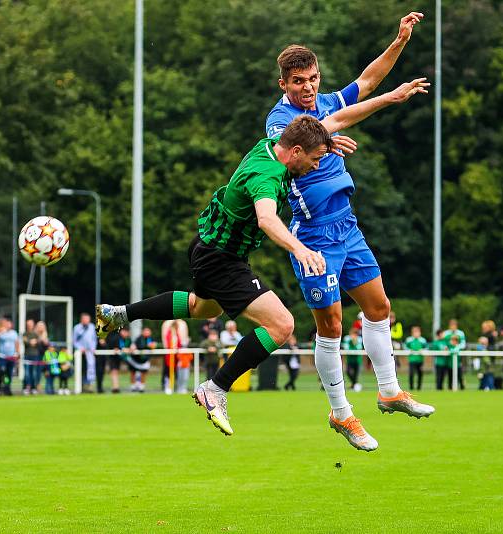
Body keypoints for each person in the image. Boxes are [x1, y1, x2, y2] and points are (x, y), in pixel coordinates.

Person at [96, 115, 340, 435]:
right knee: (282, 325)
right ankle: (216, 387)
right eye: (315, 158)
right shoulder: (266, 177)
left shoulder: (271, 144)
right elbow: (266, 218)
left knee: (203, 308)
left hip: (206, 245)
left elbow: (324, 123)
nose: (317, 166)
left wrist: (339, 133)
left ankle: (119, 314)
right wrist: (300, 250)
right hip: (222, 260)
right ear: (295, 151)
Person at [264, 31, 434, 449]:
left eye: (314, 79)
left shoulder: (324, 103)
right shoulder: (278, 121)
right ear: (284, 84)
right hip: (315, 235)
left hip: (347, 226)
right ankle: (341, 414)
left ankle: (390, 391)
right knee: (333, 324)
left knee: (379, 307)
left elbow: (367, 82)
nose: (309, 87)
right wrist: (326, 136)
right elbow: (305, 142)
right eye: (299, 81)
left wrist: (398, 40)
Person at [0, 317, 19, 395]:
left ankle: (7, 388)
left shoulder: (14, 333)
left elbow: (16, 343)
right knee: (1, 371)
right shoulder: (0, 332)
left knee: (9, 374)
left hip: (11, 357)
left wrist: (17, 353)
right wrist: (0, 332)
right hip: (2, 357)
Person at [162, 319, 188, 393]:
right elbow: (168, 343)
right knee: (168, 371)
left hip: (177, 356)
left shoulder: (177, 335)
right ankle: (167, 386)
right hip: (169, 356)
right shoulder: (169, 334)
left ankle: (176, 386)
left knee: (177, 371)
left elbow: (179, 343)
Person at [73, 313, 98, 393]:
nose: (86, 320)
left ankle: (89, 386)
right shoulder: (77, 328)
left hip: (90, 352)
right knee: (81, 369)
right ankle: (81, 386)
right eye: (85, 319)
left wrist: (93, 348)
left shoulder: (92, 327)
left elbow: (94, 339)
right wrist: (80, 348)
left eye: (88, 319)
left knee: (90, 368)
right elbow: (74, 341)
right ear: (82, 319)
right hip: (81, 354)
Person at [130, 327, 155, 393]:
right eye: (146, 331)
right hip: (136, 359)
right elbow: (136, 345)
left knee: (143, 373)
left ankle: (142, 386)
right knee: (133, 372)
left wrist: (153, 346)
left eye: (148, 331)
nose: (147, 333)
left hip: (145, 360)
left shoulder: (151, 339)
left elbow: (153, 346)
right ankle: (133, 386)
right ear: (143, 332)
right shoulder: (139, 338)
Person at [404, 326, 426, 391]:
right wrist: (409, 350)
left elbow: (427, 347)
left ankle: (419, 388)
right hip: (412, 359)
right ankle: (411, 388)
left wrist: (422, 350)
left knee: (420, 374)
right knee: (411, 374)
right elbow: (404, 346)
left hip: (420, 359)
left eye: (417, 332)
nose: (416, 333)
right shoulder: (409, 340)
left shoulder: (422, 340)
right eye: (415, 332)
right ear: (412, 333)